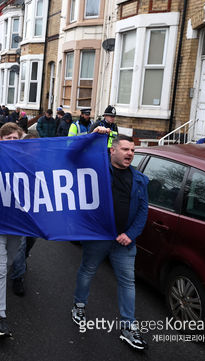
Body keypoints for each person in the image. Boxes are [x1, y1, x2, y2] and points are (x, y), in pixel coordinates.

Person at [71, 134, 149, 350]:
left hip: (124, 242)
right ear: (112, 151)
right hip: (98, 238)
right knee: (87, 271)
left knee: (127, 282)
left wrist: (131, 234)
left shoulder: (140, 180)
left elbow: (143, 211)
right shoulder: (96, 171)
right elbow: (73, 156)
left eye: (133, 150)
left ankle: (128, 327)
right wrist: (93, 135)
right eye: (125, 149)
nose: (130, 154)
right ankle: (79, 305)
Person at [0, 122, 25, 338]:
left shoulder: (27, 160)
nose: (11, 142)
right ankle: (1, 317)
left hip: (17, 222)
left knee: (9, 260)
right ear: (1, 140)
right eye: (7, 139)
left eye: (15, 139)